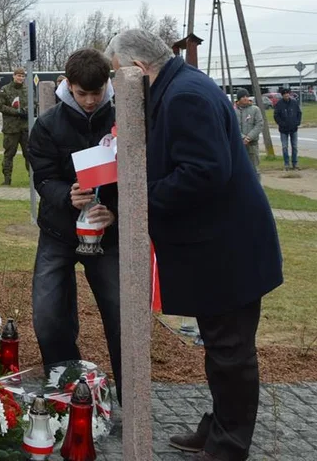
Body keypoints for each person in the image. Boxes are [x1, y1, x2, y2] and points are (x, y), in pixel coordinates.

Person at [106, 29, 283, 461]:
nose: (116, 85)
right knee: (221, 346)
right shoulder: (180, 87)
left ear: (137, 68)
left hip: (226, 250)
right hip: (219, 246)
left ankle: (229, 444)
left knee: (230, 351)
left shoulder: (185, 96)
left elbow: (204, 172)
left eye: (117, 74)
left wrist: (137, 202)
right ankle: (221, 426)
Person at [28, 49, 122, 404]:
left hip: (109, 236)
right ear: (68, 86)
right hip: (59, 233)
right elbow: (43, 177)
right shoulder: (48, 125)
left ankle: (131, 396)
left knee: (120, 313)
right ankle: (66, 388)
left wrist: (112, 211)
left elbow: (139, 177)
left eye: (96, 93)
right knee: (49, 314)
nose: (89, 100)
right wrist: (66, 195)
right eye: (82, 93)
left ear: (107, 86)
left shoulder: (123, 120)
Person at [0, 68, 29, 185]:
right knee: (9, 154)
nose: (20, 78)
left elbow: (34, 102)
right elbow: (0, 106)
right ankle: (7, 179)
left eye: (22, 76)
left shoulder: (27, 90)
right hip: (11, 129)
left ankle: (32, 179)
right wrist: (16, 112)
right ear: (14, 76)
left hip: (25, 127)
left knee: (29, 154)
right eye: (18, 76)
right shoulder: (5, 90)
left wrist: (28, 110)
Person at [234, 90, 264, 176]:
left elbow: (259, 124)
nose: (245, 98)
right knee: (239, 168)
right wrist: (242, 137)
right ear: (238, 99)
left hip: (252, 144)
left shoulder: (255, 109)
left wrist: (249, 137)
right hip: (238, 144)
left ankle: (257, 188)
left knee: (254, 169)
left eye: (247, 96)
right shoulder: (233, 111)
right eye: (243, 97)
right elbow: (232, 126)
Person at [272, 88, 302, 171]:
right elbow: (276, 116)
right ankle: (286, 164)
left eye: (288, 94)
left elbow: (299, 113)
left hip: (293, 128)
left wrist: (297, 122)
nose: (286, 95)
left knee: (294, 147)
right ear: (282, 95)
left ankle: (295, 163)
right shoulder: (279, 104)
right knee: (285, 147)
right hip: (283, 130)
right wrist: (281, 124)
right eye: (285, 94)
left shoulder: (294, 103)